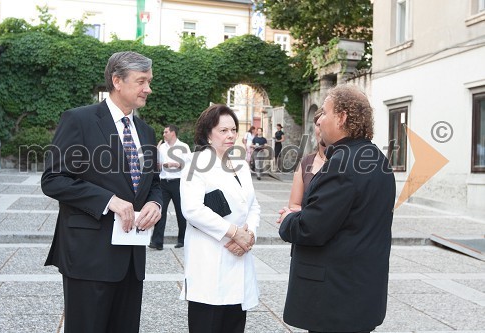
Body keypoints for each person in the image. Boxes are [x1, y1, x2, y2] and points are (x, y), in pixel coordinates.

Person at [41, 51, 163, 333]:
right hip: (88, 257)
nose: (148, 89)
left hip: (131, 259)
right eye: (142, 81)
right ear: (117, 81)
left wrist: (156, 204)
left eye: (149, 81)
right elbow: (53, 179)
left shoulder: (146, 131)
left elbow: (153, 182)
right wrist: (109, 201)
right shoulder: (79, 120)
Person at [278, 84, 396, 333]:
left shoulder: (341, 163)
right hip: (361, 294)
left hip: (335, 301)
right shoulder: (376, 158)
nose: (319, 118)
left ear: (342, 117)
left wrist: (290, 218)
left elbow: (311, 229)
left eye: (325, 112)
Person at [180, 104, 260, 333]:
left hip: (239, 255)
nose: (231, 135)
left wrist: (249, 234)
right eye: (223, 130)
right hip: (210, 258)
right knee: (208, 322)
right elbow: (192, 209)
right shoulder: (196, 163)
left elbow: (253, 205)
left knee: (234, 323)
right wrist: (234, 233)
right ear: (208, 134)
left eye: (233, 129)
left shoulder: (241, 165)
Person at [149, 124, 191, 250]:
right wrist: (159, 163)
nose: (163, 134)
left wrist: (176, 164)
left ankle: (182, 240)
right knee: (160, 211)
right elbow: (156, 165)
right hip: (163, 183)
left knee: (180, 212)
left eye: (166, 132)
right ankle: (157, 242)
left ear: (173, 133)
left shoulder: (184, 147)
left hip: (178, 182)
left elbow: (189, 165)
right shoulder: (161, 147)